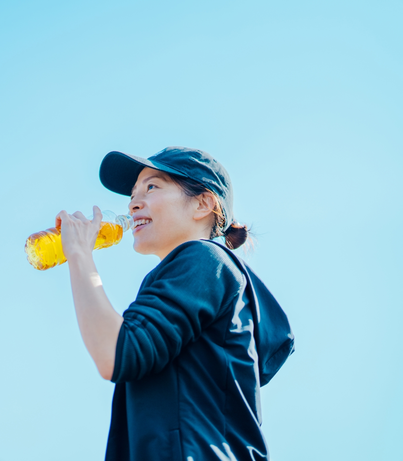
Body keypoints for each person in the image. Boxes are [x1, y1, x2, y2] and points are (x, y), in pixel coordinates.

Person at [56, 147, 294, 461]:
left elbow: (117, 352)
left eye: (152, 187)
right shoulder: (191, 274)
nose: (133, 203)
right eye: (132, 194)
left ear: (203, 204)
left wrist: (79, 255)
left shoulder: (204, 257)